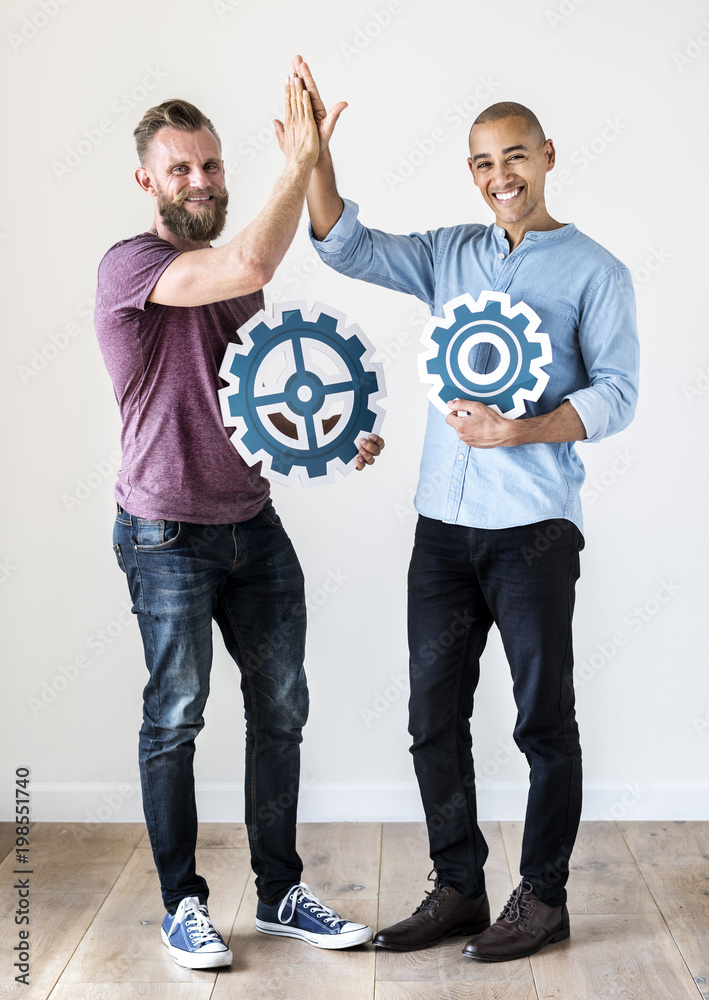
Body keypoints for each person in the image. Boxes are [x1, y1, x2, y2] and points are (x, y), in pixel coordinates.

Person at [297, 55, 639, 962]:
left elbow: (619, 393)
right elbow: (345, 244)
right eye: (485, 163)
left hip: (532, 534)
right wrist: (315, 161)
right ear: (472, 175)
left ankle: (543, 897)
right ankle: (458, 888)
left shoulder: (596, 271)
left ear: (550, 155)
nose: (502, 177)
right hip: (442, 533)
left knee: (541, 721)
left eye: (516, 156)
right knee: (431, 719)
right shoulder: (448, 253)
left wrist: (518, 433)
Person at [95, 73, 383, 971]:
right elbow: (253, 261)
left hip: (251, 526)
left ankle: (280, 893)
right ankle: (182, 907)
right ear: (147, 182)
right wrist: (304, 163)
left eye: (213, 164)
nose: (202, 180)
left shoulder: (235, 287)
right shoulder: (132, 269)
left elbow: (251, 409)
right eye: (181, 168)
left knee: (283, 710)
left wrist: (330, 434)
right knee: (175, 718)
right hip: (166, 533)